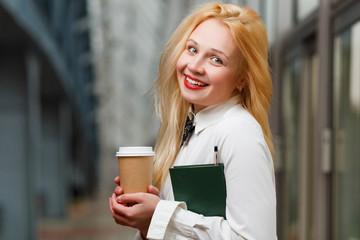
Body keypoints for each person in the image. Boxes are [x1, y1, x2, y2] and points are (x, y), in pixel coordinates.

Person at [109, 2, 277, 239]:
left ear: (242, 79)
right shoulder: (190, 129)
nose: (194, 66)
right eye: (192, 49)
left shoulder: (239, 133)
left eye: (216, 59)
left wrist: (162, 213)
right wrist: (147, 224)